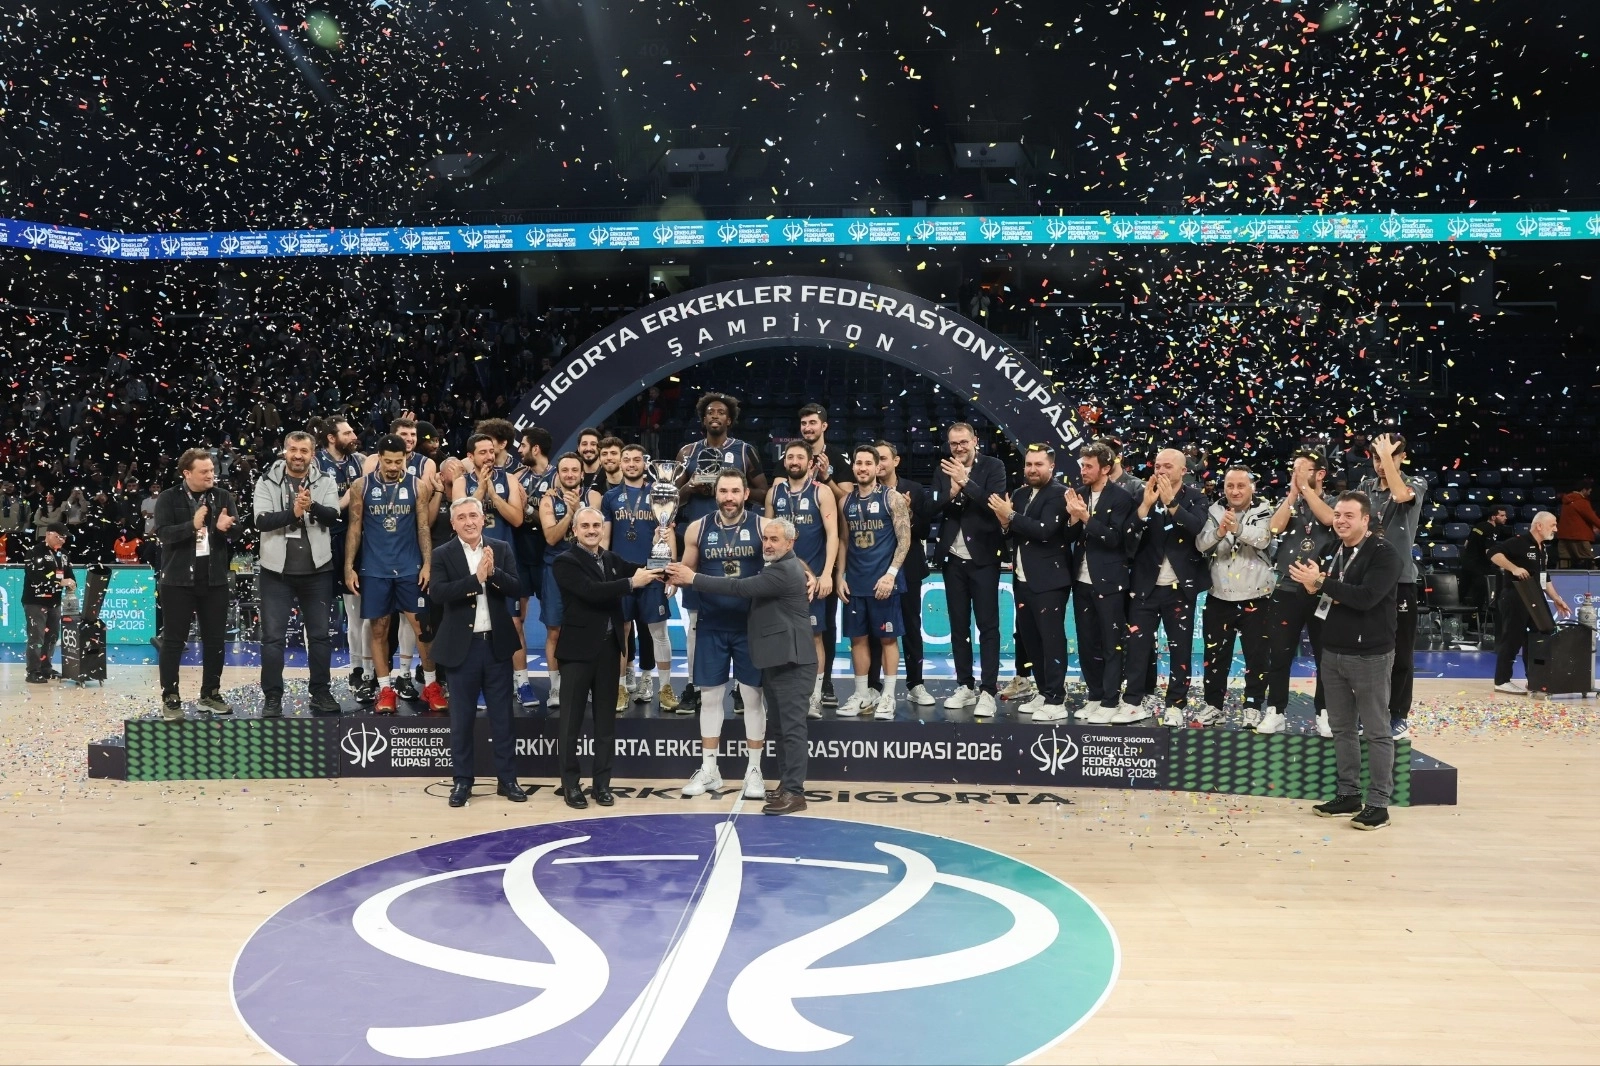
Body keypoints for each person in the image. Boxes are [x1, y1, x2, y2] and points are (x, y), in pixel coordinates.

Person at [667, 517, 816, 815]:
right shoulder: (779, 565)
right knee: (781, 727)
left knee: (792, 730)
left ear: (790, 542)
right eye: (766, 539)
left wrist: (693, 578)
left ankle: (795, 793)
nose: (768, 544)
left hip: (793, 662)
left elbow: (738, 587)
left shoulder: (785, 570)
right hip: (777, 659)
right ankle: (786, 786)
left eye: (775, 539)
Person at [1289, 491, 1403, 831]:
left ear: (1366, 520)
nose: (1340, 520)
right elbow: (1322, 592)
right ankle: (1349, 794)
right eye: (1337, 514)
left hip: (1370, 654)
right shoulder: (1332, 549)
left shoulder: (1385, 554)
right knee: (1342, 728)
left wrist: (1322, 583)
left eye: (1349, 515)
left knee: (1377, 730)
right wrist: (1314, 587)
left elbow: (1366, 598)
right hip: (1333, 650)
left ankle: (1379, 804)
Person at [553, 506, 665, 809]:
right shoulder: (565, 561)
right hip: (577, 653)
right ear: (575, 530)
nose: (591, 530)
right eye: (585, 526)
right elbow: (591, 591)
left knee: (606, 724)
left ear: (603, 529)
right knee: (570, 724)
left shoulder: (611, 559)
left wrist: (662, 555)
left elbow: (642, 569)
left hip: (609, 650)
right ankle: (570, 785)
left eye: (596, 525)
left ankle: (602, 785)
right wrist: (631, 584)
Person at [676, 468, 768, 799]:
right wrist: (665, 570)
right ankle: (710, 769)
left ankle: (754, 771)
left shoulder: (762, 526)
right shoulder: (698, 528)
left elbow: (782, 564)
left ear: (746, 494)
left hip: (750, 625)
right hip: (712, 624)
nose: (729, 498)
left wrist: (809, 575)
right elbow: (686, 571)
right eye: (723, 491)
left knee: (753, 698)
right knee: (711, 698)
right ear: (715, 494)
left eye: (735, 491)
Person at [672, 392, 767, 714]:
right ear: (703, 418)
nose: (715, 416)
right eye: (710, 412)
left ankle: (742, 688)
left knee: (743, 618)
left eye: (721, 412)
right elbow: (670, 496)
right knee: (695, 620)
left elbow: (763, 492)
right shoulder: (688, 452)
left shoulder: (744, 451)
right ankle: (693, 686)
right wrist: (692, 488)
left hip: (741, 545)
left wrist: (728, 491)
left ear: (730, 419)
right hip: (699, 542)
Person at [430, 498, 526, 808]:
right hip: (462, 649)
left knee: (503, 718)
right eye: (462, 517)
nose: (469, 521)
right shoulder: (442, 553)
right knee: (462, 720)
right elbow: (437, 593)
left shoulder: (500, 548)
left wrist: (493, 573)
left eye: (473, 515)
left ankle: (508, 779)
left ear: (483, 519)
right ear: (453, 523)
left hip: (496, 646)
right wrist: (476, 580)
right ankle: (462, 781)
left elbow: (516, 587)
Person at [346, 434, 445, 714]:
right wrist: (348, 566)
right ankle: (386, 690)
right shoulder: (361, 486)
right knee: (379, 628)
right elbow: (354, 528)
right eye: (388, 461)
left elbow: (423, 528)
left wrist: (427, 564)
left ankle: (431, 686)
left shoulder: (417, 485)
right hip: (374, 569)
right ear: (378, 458)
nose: (392, 467)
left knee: (422, 628)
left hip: (410, 567)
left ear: (406, 459)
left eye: (398, 461)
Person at [254, 430, 343, 718]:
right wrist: (293, 513)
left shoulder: (325, 480)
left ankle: (320, 692)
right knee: (272, 639)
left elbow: (333, 516)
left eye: (304, 451)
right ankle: (272, 697)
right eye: (293, 449)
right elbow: (261, 521)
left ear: (312, 454)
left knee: (320, 636)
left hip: (317, 571)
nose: (297, 455)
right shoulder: (266, 481)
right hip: (275, 572)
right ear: (285, 451)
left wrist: (311, 506)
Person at [1120, 448, 1211, 726]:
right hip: (1144, 587)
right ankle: (1133, 701)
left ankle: (1176, 704)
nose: (1160, 470)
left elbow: (1196, 528)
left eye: (1168, 466)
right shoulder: (1141, 494)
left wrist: (1171, 503)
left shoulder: (1196, 497)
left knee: (1180, 648)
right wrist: (1145, 507)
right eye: (1158, 465)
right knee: (1137, 648)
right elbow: (1127, 536)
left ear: (1183, 470)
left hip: (1180, 588)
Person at [154, 448, 239, 719]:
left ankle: (210, 694)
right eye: (204, 472)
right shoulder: (168, 498)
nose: (210, 475)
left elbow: (238, 532)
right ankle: (171, 697)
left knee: (215, 641)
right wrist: (191, 525)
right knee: (173, 641)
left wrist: (227, 528)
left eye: (212, 470)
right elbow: (163, 534)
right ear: (187, 473)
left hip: (214, 579)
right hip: (177, 581)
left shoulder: (223, 497)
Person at [988, 444, 1069, 722]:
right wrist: (1004, 522)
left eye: (1038, 464)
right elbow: (1012, 533)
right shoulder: (1021, 494)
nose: (1032, 469)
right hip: (1022, 579)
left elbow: (1045, 531)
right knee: (1031, 641)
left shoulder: (1059, 493)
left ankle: (1056, 698)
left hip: (1050, 581)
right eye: (1029, 464)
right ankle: (1045, 692)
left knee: (1051, 641)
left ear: (1051, 467)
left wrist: (1010, 516)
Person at [933, 422, 1008, 717]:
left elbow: (995, 505)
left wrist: (966, 482)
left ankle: (988, 690)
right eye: (954, 444)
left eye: (963, 442)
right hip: (952, 559)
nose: (959, 448)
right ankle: (964, 685)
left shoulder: (994, 466)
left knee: (988, 626)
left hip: (984, 558)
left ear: (975, 441)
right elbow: (932, 507)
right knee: (958, 626)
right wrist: (950, 492)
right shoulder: (943, 468)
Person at [1356, 431, 1427, 738]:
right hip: (1365, 580)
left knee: (1401, 652)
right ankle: (1367, 712)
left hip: (1401, 581)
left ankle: (1398, 713)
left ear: (1402, 457)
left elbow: (1400, 496)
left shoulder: (1416, 483)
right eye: (1375, 458)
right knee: (1366, 651)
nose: (1380, 464)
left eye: (1388, 457)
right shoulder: (1364, 488)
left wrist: (1387, 458)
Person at [1265, 447, 1339, 737]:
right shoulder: (1290, 502)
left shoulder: (1334, 501)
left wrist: (1306, 491)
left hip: (1322, 589)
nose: (1295, 474)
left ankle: (1325, 712)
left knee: (1325, 655)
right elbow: (1274, 528)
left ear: (1320, 474)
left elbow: (1330, 520)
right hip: (1286, 587)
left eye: (1302, 469)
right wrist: (1293, 495)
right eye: (1293, 469)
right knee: (1279, 653)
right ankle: (1276, 710)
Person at [1196, 467, 1277, 727]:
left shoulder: (1265, 509)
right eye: (1230, 485)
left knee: (1257, 657)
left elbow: (1264, 540)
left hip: (1258, 596)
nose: (1235, 491)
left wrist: (1237, 528)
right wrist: (1219, 532)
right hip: (1219, 596)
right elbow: (1200, 544)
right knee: (1215, 656)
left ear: (1252, 487)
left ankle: (1252, 706)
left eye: (1241, 485)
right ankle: (1213, 705)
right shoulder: (1214, 510)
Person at [838, 444, 912, 719]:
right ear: (853, 467)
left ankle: (888, 696)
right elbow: (843, 541)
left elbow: (905, 540)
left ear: (877, 467)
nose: (862, 468)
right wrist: (839, 576)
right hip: (855, 583)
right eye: (858, 463)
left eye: (868, 463)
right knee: (857, 640)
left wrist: (890, 575)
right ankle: (862, 694)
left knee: (888, 640)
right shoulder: (846, 501)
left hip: (884, 583)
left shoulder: (892, 498)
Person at [1066, 441, 1138, 724]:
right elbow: (1069, 538)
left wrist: (1084, 516)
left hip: (1110, 582)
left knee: (1111, 644)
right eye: (1082, 465)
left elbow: (1115, 539)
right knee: (1087, 643)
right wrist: (1073, 520)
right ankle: (1094, 696)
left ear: (1105, 468)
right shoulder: (1079, 494)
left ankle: (1110, 700)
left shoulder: (1121, 498)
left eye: (1089, 466)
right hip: (1081, 580)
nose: (1083, 471)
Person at [766, 440, 839, 717]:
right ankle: (785, 695)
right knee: (780, 636)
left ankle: (814, 696)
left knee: (814, 637)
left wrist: (827, 573)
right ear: (784, 462)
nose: (794, 461)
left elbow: (833, 535)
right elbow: (767, 535)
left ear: (810, 463)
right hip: (780, 579)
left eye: (800, 457)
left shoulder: (821, 492)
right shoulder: (774, 492)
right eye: (790, 457)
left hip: (812, 580)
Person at [603, 444, 674, 708]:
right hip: (621, 573)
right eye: (626, 460)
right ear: (620, 464)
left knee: (658, 631)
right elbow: (605, 538)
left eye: (636, 460)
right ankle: (620, 687)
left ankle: (661, 687)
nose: (631, 464)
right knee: (621, 631)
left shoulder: (660, 493)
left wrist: (670, 570)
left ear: (645, 464)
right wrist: (604, 570)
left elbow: (667, 533)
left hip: (653, 569)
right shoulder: (611, 497)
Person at [868, 441, 934, 706]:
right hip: (874, 569)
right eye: (875, 459)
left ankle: (916, 684)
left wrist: (910, 513)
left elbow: (925, 531)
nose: (879, 464)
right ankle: (873, 686)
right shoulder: (866, 491)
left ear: (896, 461)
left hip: (908, 569)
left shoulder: (914, 489)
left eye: (883, 458)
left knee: (911, 627)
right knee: (875, 629)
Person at [797, 403, 852, 707]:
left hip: (825, 554)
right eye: (804, 423)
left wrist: (826, 477)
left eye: (813, 423)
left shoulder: (839, 458)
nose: (808, 428)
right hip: (794, 558)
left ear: (824, 426)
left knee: (824, 624)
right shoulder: (791, 457)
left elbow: (848, 501)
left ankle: (826, 682)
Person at [539, 452, 603, 708]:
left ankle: (586, 683)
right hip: (555, 570)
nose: (569, 474)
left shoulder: (593, 497)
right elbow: (551, 538)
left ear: (582, 473)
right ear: (558, 474)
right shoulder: (548, 499)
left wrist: (579, 510)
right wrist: (570, 514)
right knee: (555, 630)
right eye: (564, 470)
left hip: (586, 570)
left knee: (587, 629)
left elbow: (596, 536)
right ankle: (556, 687)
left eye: (574, 470)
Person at [313, 417, 372, 696]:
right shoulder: (315, 464)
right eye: (347, 433)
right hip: (324, 542)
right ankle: (317, 678)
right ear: (331, 437)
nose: (353, 436)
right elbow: (319, 509)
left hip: (355, 541)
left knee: (356, 612)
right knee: (318, 616)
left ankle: (359, 670)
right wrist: (349, 496)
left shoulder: (359, 461)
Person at [1488, 511, 1571, 693]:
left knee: (1539, 636)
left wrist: (1556, 598)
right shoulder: (1519, 542)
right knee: (1513, 638)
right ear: (1539, 526)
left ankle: (1535, 680)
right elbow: (1492, 553)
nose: (1556, 529)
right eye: (1553, 525)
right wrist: (1514, 568)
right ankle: (1502, 680)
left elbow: (1543, 577)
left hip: (1534, 597)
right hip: (1515, 595)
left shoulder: (1543, 548)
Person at [514, 425, 556, 706]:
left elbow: (551, 521)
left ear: (536, 449)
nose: (520, 450)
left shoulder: (558, 478)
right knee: (516, 620)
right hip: (519, 556)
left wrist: (528, 508)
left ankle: (558, 685)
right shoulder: (517, 477)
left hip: (548, 557)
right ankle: (522, 682)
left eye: (523, 445)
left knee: (555, 624)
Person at [22, 522, 74, 683]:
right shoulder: (34, 552)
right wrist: (59, 582)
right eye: (59, 537)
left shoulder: (64, 554)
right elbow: (35, 577)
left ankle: (46, 668)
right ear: (49, 534)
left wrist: (72, 583)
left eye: (64, 538)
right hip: (35, 601)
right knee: (37, 637)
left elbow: (69, 574)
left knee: (52, 636)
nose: (62, 540)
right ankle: (33, 671)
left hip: (54, 602)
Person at [1460, 503, 1509, 610]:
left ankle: (1453, 615)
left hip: (1466, 562)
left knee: (1462, 592)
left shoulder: (1478, 525)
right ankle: (1476, 618)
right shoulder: (1492, 529)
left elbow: (1466, 544)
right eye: (1502, 515)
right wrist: (1500, 565)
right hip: (1479, 566)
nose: (1505, 517)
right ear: (1493, 517)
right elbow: (1489, 551)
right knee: (1478, 595)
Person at [1555, 479, 1600, 569]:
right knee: (1590, 564)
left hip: (1563, 538)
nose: (1590, 492)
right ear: (1584, 490)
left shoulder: (1566, 501)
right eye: (1589, 490)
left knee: (1563, 565)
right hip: (1579, 538)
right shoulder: (1581, 502)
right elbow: (1593, 519)